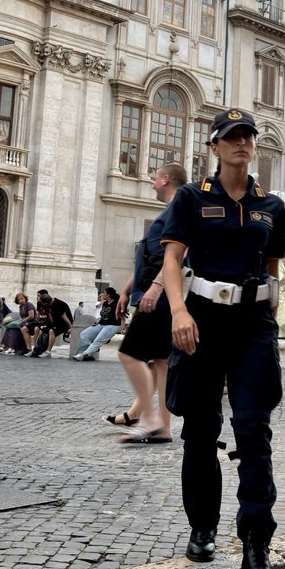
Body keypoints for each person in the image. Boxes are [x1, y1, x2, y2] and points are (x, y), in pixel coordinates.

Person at [162, 111, 285, 569]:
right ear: (214, 147)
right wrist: (177, 312)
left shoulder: (270, 206)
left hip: (254, 325)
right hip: (201, 321)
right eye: (231, 137)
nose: (241, 143)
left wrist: (271, 316)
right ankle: (202, 528)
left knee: (254, 431)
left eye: (247, 136)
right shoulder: (193, 198)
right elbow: (173, 259)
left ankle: (256, 545)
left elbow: (273, 266)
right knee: (200, 429)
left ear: (254, 147)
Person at [104, 162, 187, 438]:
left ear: (165, 180)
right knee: (161, 362)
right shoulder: (168, 212)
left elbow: (177, 255)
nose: (151, 183)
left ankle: (151, 420)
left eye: (154, 179)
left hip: (158, 299)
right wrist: (127, 290)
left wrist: (156, 287)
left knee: (128, 354)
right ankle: (161, 425)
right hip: (153, 294)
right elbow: (147, 258)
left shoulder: (177, 209)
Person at [73, 287, 122, 361]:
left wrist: (123, 327)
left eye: (104, 293)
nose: (102, 295)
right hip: (101, 324)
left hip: (112, 325)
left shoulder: (117, 303)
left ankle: (82, 355)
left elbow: (122, 315)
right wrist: (97, 321)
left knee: (97, 341)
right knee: (84, 335)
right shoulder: (105, 303)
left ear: (108, 295)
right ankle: (90, 354)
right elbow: (103, 315)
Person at [29, 290, 72, 357]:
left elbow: (66, 318)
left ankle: (48, 351)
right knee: (42, 330)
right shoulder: (47, 304)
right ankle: (37, 349)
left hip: (64, 323)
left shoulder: (60, 304)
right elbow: (50, 316)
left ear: (47, 302)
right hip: (56, 323)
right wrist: (49, 326)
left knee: (52, 331)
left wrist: (70, 329)